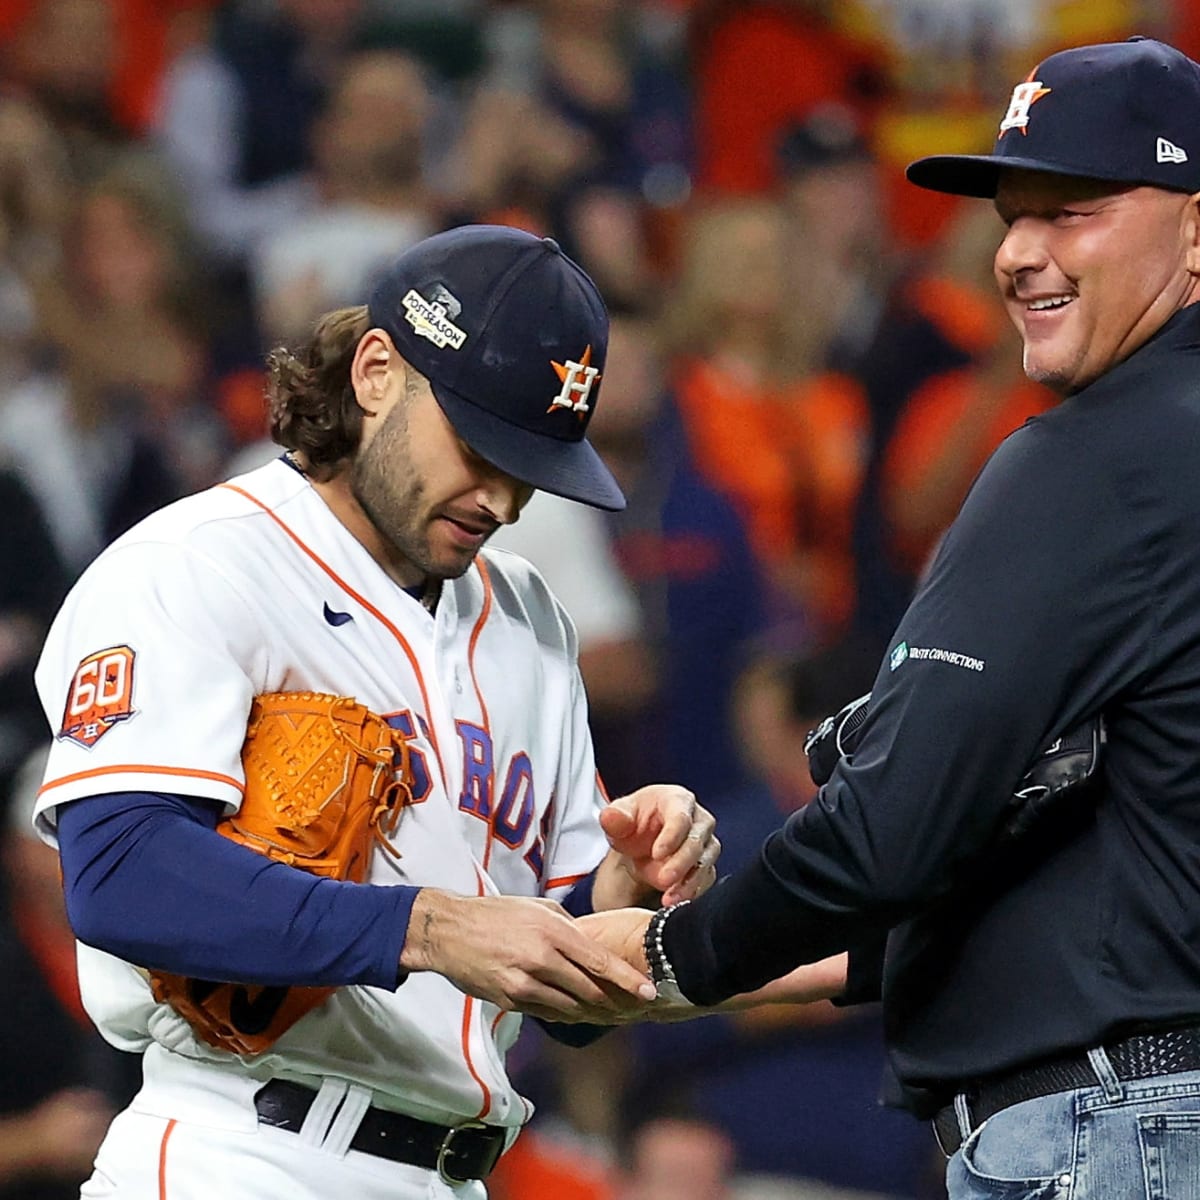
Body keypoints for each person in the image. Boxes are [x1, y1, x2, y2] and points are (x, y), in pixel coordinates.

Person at [582, 35, 1200, 1199]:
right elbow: (1065, 863)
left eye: (1072, 212)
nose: (1018, 252)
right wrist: (658, 970)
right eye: (1015, 216)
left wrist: (673, 954)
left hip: (1120, 1128)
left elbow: (891, 829)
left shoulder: (1098, 458)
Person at [30, 225, 728, 1200]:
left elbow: (557, 996)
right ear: (374, 371)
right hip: (240, 1149)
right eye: (481, 443)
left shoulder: (528, 617)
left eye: (532, 465)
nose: (502, 497)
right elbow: (117, 876)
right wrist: (430, 927)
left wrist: (617, 887)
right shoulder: (200, 563)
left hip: (452, 1169)